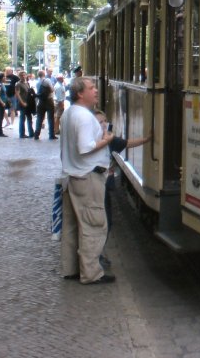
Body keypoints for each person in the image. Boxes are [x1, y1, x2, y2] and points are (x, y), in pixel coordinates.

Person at [60, 76, 115, 284]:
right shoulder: (83, 116)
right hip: (88, 177)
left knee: (72, 226)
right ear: (80, 93)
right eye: (92, 88)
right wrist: (106, 140)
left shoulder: (69, 114)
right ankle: (91, 274)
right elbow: (85, 148)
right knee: (93, 225)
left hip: (72, 176)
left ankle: (70, 268)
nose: (96, 91)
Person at [93, 110, 151, 267]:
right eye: (99, 122)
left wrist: (146, 139)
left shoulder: (109, 140)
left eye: (105, 121)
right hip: (95, 186)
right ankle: (94, 259)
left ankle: (97, 256)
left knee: (107, 221)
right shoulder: (93, 142)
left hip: (104, 187)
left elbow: (127, 143)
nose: (104, 124)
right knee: (99, 223)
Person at [34, 69, 57, 140]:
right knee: (50, 118)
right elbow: (52, 89)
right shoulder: (47, 80)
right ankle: (51, 134)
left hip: (41, 101)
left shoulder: (37, 82)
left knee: (39, 118)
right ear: (44, 74)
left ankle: (37, 134)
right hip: (48, 100)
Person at [15, 70, 35, 138]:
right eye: (21, 75)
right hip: (23, 103)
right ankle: (22, 133)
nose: (23, 76)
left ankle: (31, 133)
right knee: (22, 119)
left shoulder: (27, 83)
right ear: (19, 76)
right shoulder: (18, 84)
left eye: (24, 75)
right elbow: (17, 94)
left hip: (28, 103)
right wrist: (22, 102)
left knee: (29, 118)